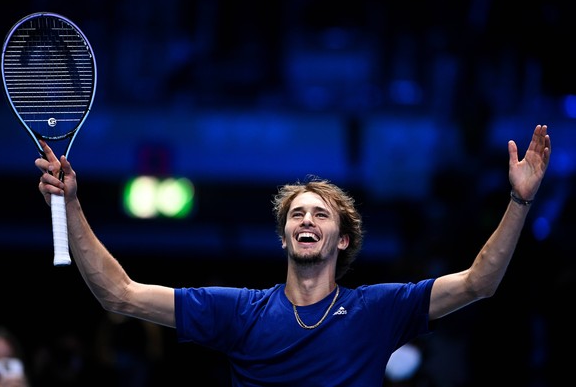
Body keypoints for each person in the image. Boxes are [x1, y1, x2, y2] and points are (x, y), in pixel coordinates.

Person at [35, 124, 551, 386]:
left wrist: (520, 200)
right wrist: (71, 206)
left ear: (343, 240)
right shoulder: (239, 313)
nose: (307, 220)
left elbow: (479, 282)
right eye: (297, 215)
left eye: (322, 215)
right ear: (283, 237)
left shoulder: (378, 310)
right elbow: (117, 293)